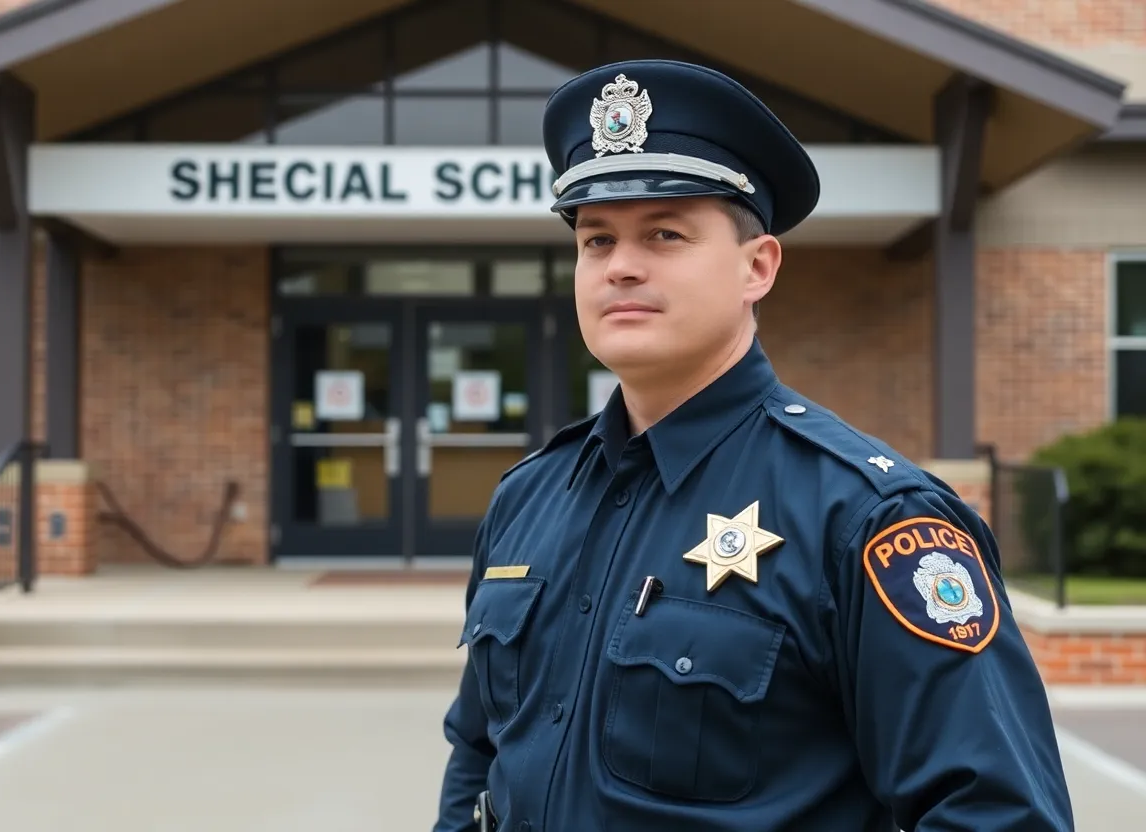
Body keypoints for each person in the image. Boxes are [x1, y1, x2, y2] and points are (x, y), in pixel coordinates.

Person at [432, 59, 1073, 832]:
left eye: (664, 234)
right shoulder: (528, 498)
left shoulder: (868, 517)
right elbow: (479, 752)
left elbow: (997, 814)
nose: (621, 266)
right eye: (596, 240)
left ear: (757, 267)